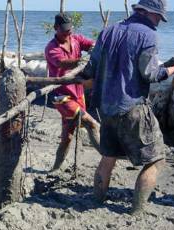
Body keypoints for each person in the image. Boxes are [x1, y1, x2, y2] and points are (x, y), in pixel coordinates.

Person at [82, 0, 174, 215]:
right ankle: (136, 211)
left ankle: (97, 201)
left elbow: (91, 69)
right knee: (157, 160)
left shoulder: (108, 31)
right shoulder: (148, 35)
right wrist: (173, 68)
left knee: (108, 157)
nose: (158, 23)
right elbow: (151, 74)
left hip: (106, 109)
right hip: (132, 107)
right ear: (148, 13)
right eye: (158, 18)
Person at [45, 13, 101, 172]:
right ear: (56, 28)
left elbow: (92, 44)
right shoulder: (51, 48)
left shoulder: (76, 39)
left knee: (67, 138)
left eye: (70, 30)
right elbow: (62, 63)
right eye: (64, 31)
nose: (68, 33)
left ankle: (54, 169)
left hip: (78, 93)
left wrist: (93, 48)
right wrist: (80, 61)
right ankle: (107, 157)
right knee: (92, 124)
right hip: (62, 97)